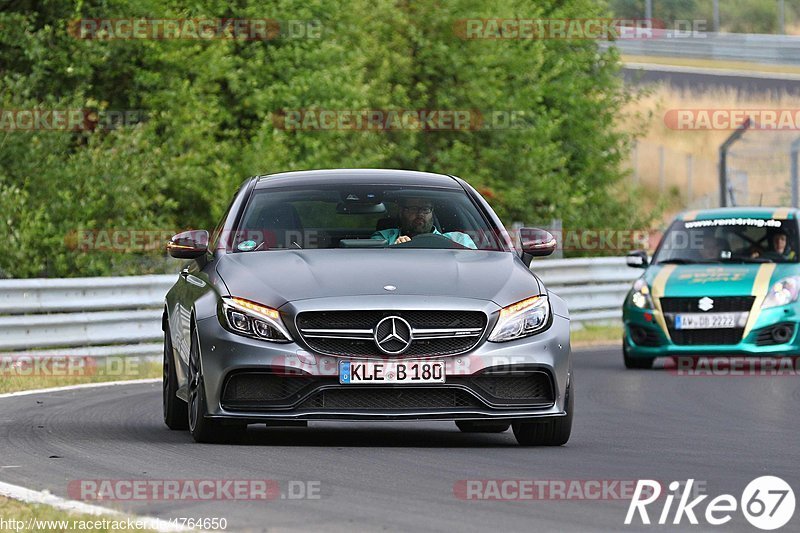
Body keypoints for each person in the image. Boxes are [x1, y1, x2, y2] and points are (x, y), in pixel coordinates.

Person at [371, 197, 477, 249]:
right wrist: (395, 250)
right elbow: (372, 264)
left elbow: (474, 266)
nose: (420, 214)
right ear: (401, 212)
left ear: (432, 212)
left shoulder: (458, 239)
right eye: (414, 209)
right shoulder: (384, 238)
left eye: (425, 209)